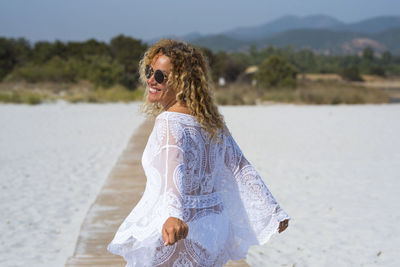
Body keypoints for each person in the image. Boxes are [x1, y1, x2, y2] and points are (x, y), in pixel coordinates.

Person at [107, 39, 290, 267]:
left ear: (182, 82)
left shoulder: (169, 121)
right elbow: (239, 166)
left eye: (161, 76)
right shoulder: (210, 122)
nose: (151, 80)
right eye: (149, 71)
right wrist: (272, 209)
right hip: (212, 226)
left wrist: (173, 214)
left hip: (178, 227)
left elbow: (175, 167)